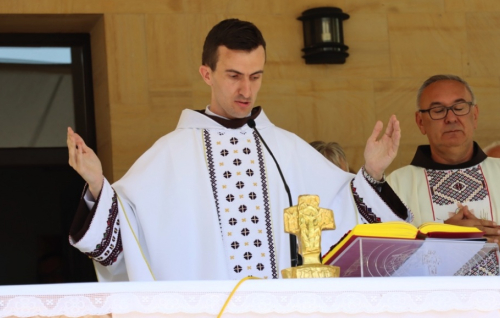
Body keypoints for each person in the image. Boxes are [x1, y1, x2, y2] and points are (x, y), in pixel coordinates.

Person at [67, 19, 408, 282]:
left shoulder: (286, 149)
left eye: (256, 76)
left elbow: (347, 213)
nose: (247, 90)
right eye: (234, 75)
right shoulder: (170, 154)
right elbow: (119, 239)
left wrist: (373, 174)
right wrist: (97, 184)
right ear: (207, 74)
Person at [387, 75, 500, 249]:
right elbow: (382, 260)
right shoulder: (396, 186)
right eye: (438, 111)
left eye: (459, 107)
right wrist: (442, 240)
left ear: (475, 115)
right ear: (420, 122)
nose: (451, 118)